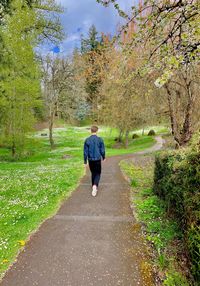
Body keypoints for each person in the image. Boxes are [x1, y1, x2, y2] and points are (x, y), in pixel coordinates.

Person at [84, 126, 106, 197]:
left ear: (91, 131)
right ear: (97, 131)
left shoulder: (87, 140)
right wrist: (103, 157)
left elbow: (85, 152)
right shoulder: (100, 140)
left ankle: (93, 186)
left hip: (90, 160)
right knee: (98, 173)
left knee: (93, 172)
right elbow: (102, 150)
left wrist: (85, 161)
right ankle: (95, 186)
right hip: (97, 159)